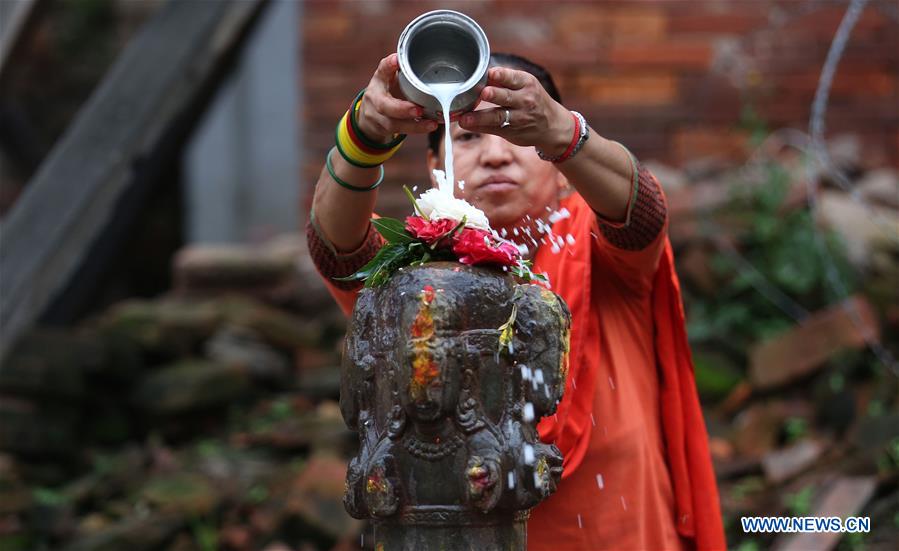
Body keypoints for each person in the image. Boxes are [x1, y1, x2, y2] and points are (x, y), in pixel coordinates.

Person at [305, 52, 726, 551]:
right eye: (468, 136)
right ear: (435, 165)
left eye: (518, 136)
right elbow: (337, 249)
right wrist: (364, 136)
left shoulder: (595, 241)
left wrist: (563, 131)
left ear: (564, 168)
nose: (497, 155)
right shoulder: (413, 272)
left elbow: (642, 213)